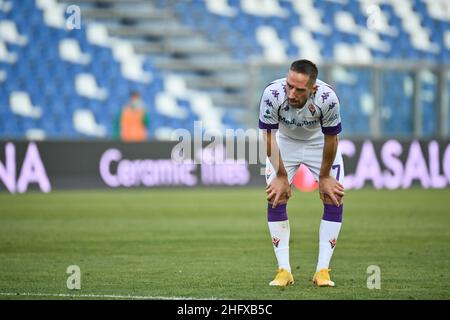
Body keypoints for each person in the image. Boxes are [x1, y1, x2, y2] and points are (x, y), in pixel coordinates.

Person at [259, 59, 345, 287]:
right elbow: (268, 136)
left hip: (320, 144)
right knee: (276, 197)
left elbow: (331, 138)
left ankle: (323, 271)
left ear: (313, 89)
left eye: (299, 89)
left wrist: (325, 177)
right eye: (289, 85)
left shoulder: (328, 99)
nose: (291, 93)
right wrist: (280, 175)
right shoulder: (272, 94)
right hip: (285, 143)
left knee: (333, 197)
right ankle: (284, 270)